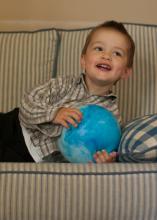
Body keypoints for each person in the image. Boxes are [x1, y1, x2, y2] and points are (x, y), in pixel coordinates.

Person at [0, 20, 135, 163]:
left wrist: (105, 161)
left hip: (32, 158)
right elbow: (28, 103)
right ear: (83, 60)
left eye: (117, 53)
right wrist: (54, 113)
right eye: (99, 48)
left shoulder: (112, 118)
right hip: (15, 127)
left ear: (125, 72)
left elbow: (104, 151)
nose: (106, 56)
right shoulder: (64, 84)